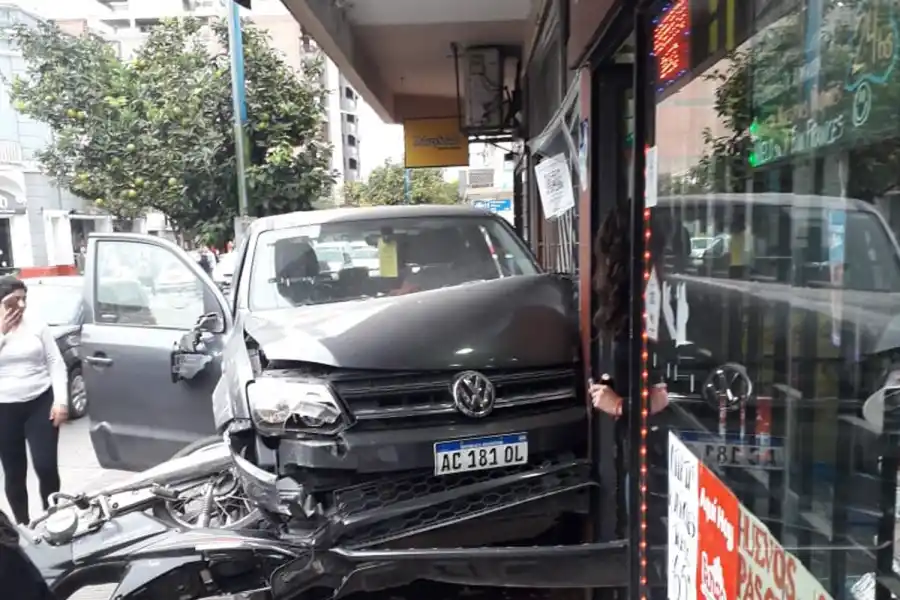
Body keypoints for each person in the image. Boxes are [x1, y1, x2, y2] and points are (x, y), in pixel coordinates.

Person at [0, 276, 68, 525]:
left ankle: (54, 519)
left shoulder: (37, 325)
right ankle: (23, 526)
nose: (20, 305)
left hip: (40, 402)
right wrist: (2, 333)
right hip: (4, 408)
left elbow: (55, 362)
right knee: (14, 472)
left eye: (24, 299)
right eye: (14, 300)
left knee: (46, 465)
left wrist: (61, 400)